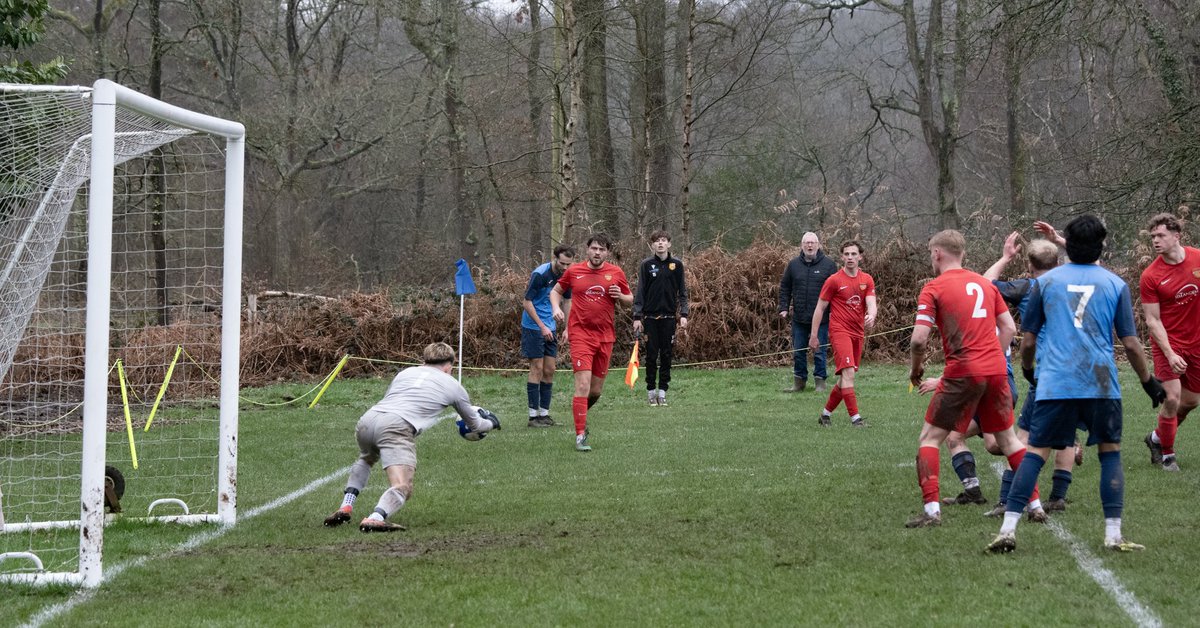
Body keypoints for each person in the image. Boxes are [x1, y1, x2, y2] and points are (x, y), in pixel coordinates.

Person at [987, 215, 1165, 553]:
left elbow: (1028, 340)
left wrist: (1028, 368)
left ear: (1066, 244)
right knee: (1110, 453)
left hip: (1056, 380)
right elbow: (1130, 343)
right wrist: (1148, 381)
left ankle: (1008, 530)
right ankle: (1113, 535)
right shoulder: (1115, 284)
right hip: (1100, 381)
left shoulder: (1045, 283)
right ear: (1102, 245)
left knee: (1035, 453)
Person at [905, 230, 1043, 528]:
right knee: (1009, 441)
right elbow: (1009, 328)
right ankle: (1035, 505)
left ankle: (931, 511)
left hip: (963, 371)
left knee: (929, 439)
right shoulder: (984, 283)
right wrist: (994, 356)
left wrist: (916, 369)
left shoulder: (933, 287)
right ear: (963, 254)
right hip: (996, 370)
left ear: (937, 253)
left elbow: (918, 340)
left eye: (931, 254)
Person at [939, 231, 1078, 513]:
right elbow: (1093, 266)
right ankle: (1058, 496)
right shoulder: (1073, 282)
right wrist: (1064, 243)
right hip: (1079, 367)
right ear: (1057, 261)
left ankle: (1007, 501)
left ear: (1029, 264)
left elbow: (983, 284)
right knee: (1061, 435)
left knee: (1020, 440)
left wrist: (1005, 258)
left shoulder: (1028, 287)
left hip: (1048, 370)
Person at [323, 342, 500, 532]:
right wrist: (492, 422)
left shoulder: (405, 373)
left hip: (368, 419)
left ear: (425, 360)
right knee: (403, 486)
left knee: (366, 458)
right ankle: (375, 518)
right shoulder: (453, 386)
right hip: (396, 426)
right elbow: (476, 425)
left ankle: (346, 506)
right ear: (449, 365)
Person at [551, 233, 633, 452]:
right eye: (594, 248)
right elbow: (556, 291)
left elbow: (629, 301)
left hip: (605, 336)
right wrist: (556, 308)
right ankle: (580, 435)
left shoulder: (616, 273)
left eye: (602, 249)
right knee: (583, 385)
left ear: (607, 253)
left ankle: (580, 414)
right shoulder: (574, 271)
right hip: (580, 334)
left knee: (595, 391)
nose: (597, 252)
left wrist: (620, 296)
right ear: (587, 249)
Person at [1139, 212, 1200, 472]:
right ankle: (1167, 456)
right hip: (1167, 343)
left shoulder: (1197, 258)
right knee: (1172, 399)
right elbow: (1152, 321)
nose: (1155, 240)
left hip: (1196, 343)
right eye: (1153, 236)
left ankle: (1155, 438)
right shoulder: (1151, 276)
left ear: (1177, 236)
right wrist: (1170, 353)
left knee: (1190, 402)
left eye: (1161, 235)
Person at [810, 240, 877, 426]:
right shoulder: (833, 280)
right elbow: (820, 308)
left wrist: (871, 315)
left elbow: (871, 303)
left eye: (853, 254)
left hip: (858, 333)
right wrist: (814, 335)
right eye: (846, 254)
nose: (850, 257)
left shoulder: (867, 279)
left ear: (860, 257)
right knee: (848, 374)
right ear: (841, 257)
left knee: (845, 378)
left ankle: (825, 415)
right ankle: (856, 419)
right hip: (839, 331)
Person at [633, 230, 689, 407]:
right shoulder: (646, 265)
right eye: (657, 241)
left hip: (669, 318)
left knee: (666, 355)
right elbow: (640, 291)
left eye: (663, 240)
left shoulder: (676, 265)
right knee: (651, 356)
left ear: (669, 244)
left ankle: (663, 392)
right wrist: (637, 316)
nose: (660, 243)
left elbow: (682, 292)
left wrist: (684, 314)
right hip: (650, 318)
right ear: (652, 245)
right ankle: (651, 392)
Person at [521, 245, 575, 427]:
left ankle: (544, 415)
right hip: (533, 326)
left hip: (550, 327)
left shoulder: (567, 275)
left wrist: (567, 328)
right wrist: (542, 326)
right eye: (562, 263)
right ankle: (533, 417)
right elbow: (526, 302)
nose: (565, 267)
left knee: (550, 369)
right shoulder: (540, 274)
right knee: (537, 367)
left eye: (568, 264)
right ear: (555, 258)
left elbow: (567, 301)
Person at [779, 232, 838, 392]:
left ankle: (820, 382)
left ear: (818, 245)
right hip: (799, 318)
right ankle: (799, 382)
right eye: (807, 243)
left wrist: (833, 311)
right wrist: (783, 307)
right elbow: (785, 287)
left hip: (822, 319)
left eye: (812, 243)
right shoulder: (793, 265)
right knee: (798, 352)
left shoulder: (829, 265)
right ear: (802, 245)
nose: (809, 246)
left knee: (819, 352)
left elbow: (836, 292)